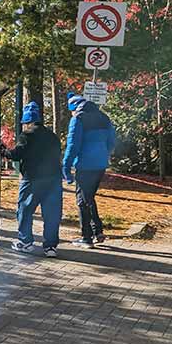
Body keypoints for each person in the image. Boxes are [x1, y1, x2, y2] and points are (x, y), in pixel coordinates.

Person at [0, 102, 63, 257]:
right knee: (52, 213)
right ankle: (50, 247)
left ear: (27, 122)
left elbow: (16, 154)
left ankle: (25, 242)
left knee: (25, 210)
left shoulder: (27, 135)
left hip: (32, 179)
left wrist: (1, 149)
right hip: (53, 179)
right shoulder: (53, 136)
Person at [63, 92, 117, 248]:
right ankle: (97, 231)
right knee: (89, 198)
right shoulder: (104, 117)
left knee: (82, 201)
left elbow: (72, 146)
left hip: (85, 166)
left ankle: (86, 238)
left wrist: (66, 167)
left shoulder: (78, 119)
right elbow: (112, 141)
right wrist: (103, 154)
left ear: (74, 108)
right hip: (100, 165)